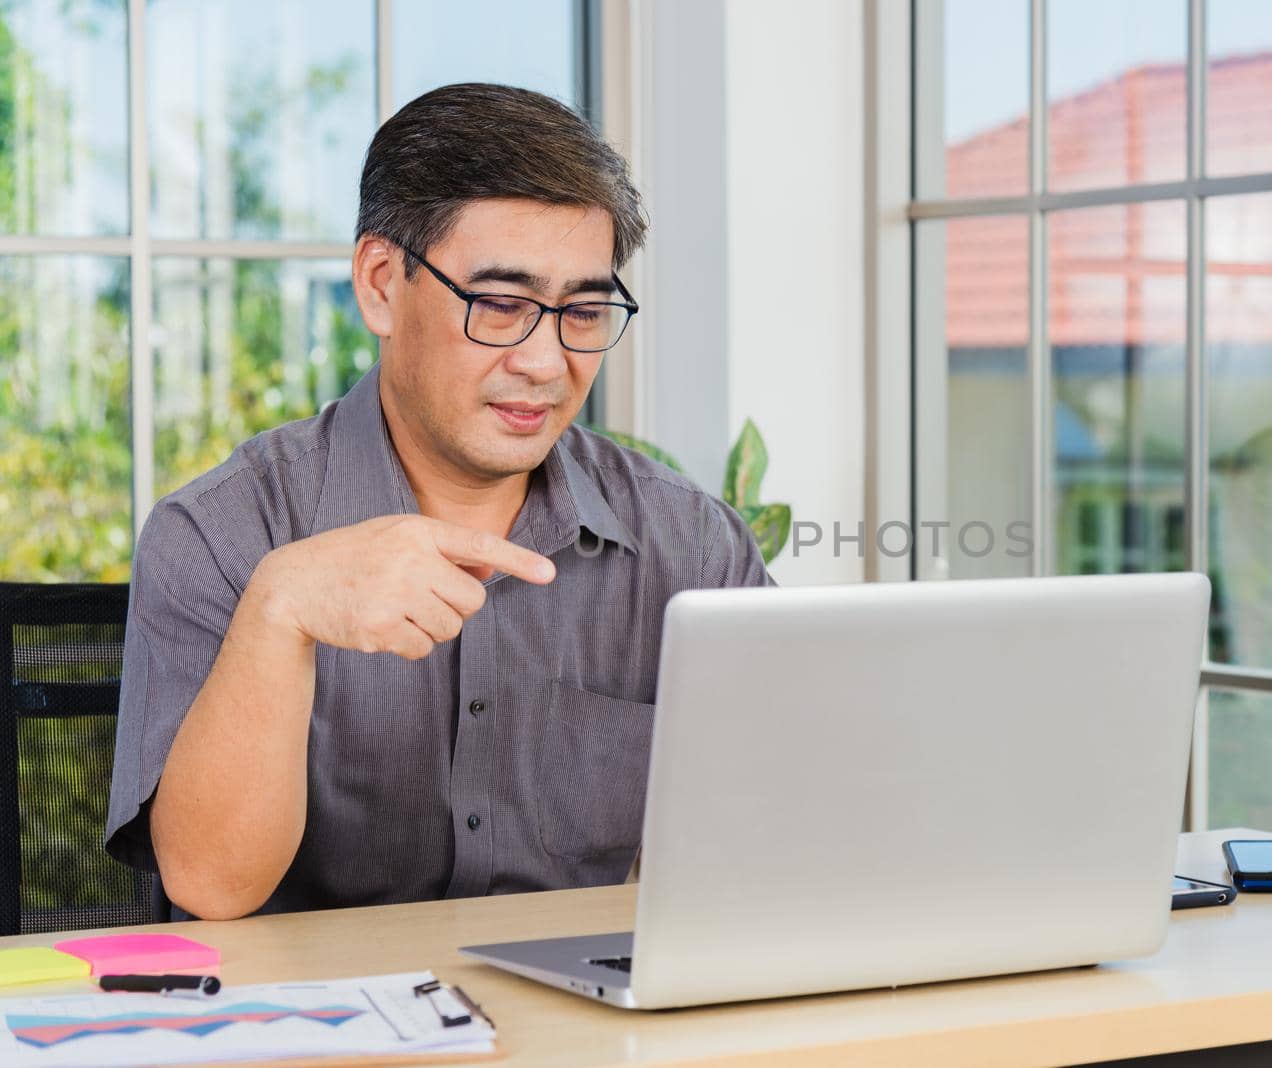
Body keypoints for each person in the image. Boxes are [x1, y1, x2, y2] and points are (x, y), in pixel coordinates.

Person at [105, 84, 772, 920]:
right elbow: (210, 886)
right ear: (382, 285)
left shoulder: (691, 545)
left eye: (585, 310)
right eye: (499, 305)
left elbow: (784, 832)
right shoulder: (219, 533)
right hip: (315, 1033)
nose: (544, 361)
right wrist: (278, 612)